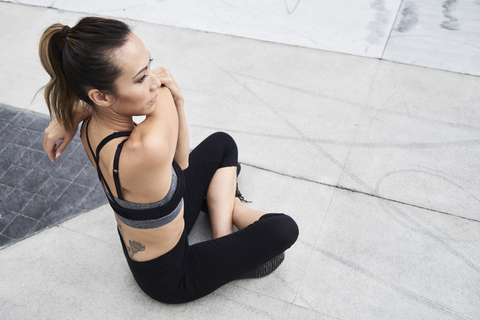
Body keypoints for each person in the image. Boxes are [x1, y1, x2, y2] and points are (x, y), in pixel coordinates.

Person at [39, 17, 298, 304]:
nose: (153, 80)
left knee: (222, 144)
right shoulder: (146, 148)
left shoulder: (92, 122)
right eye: (140, 78)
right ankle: (227, 208)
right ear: (100, 96)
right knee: (283, 229)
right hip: (172, 276)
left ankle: (221, 232)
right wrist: (172, 96)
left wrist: (68, 116)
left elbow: (181, 164)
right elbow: (180, 155)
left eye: (148, 65)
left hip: (155, 226)